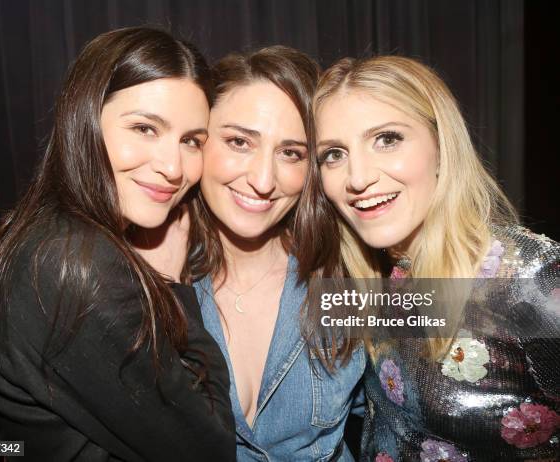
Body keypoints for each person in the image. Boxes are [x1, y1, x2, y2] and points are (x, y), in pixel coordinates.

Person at [0, 27, 235, 461]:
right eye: (145, 128)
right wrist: (172, 283)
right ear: (84, 120)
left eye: (191, 141)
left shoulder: (44, 231)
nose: (172, 166)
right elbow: (212, 451)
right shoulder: (78, 269)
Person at [306, 55, 560, 460]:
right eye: (333, 154)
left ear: (441, 147)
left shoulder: (530, 276)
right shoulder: (370, 279)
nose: (357, 177)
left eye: (387, 139)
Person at [182, 46, 366, 461]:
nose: (263, 180)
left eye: (291, 153)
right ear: (197, 141)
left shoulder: (352, 277)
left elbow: (420, 410)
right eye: (239, 141)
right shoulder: (145, 278)